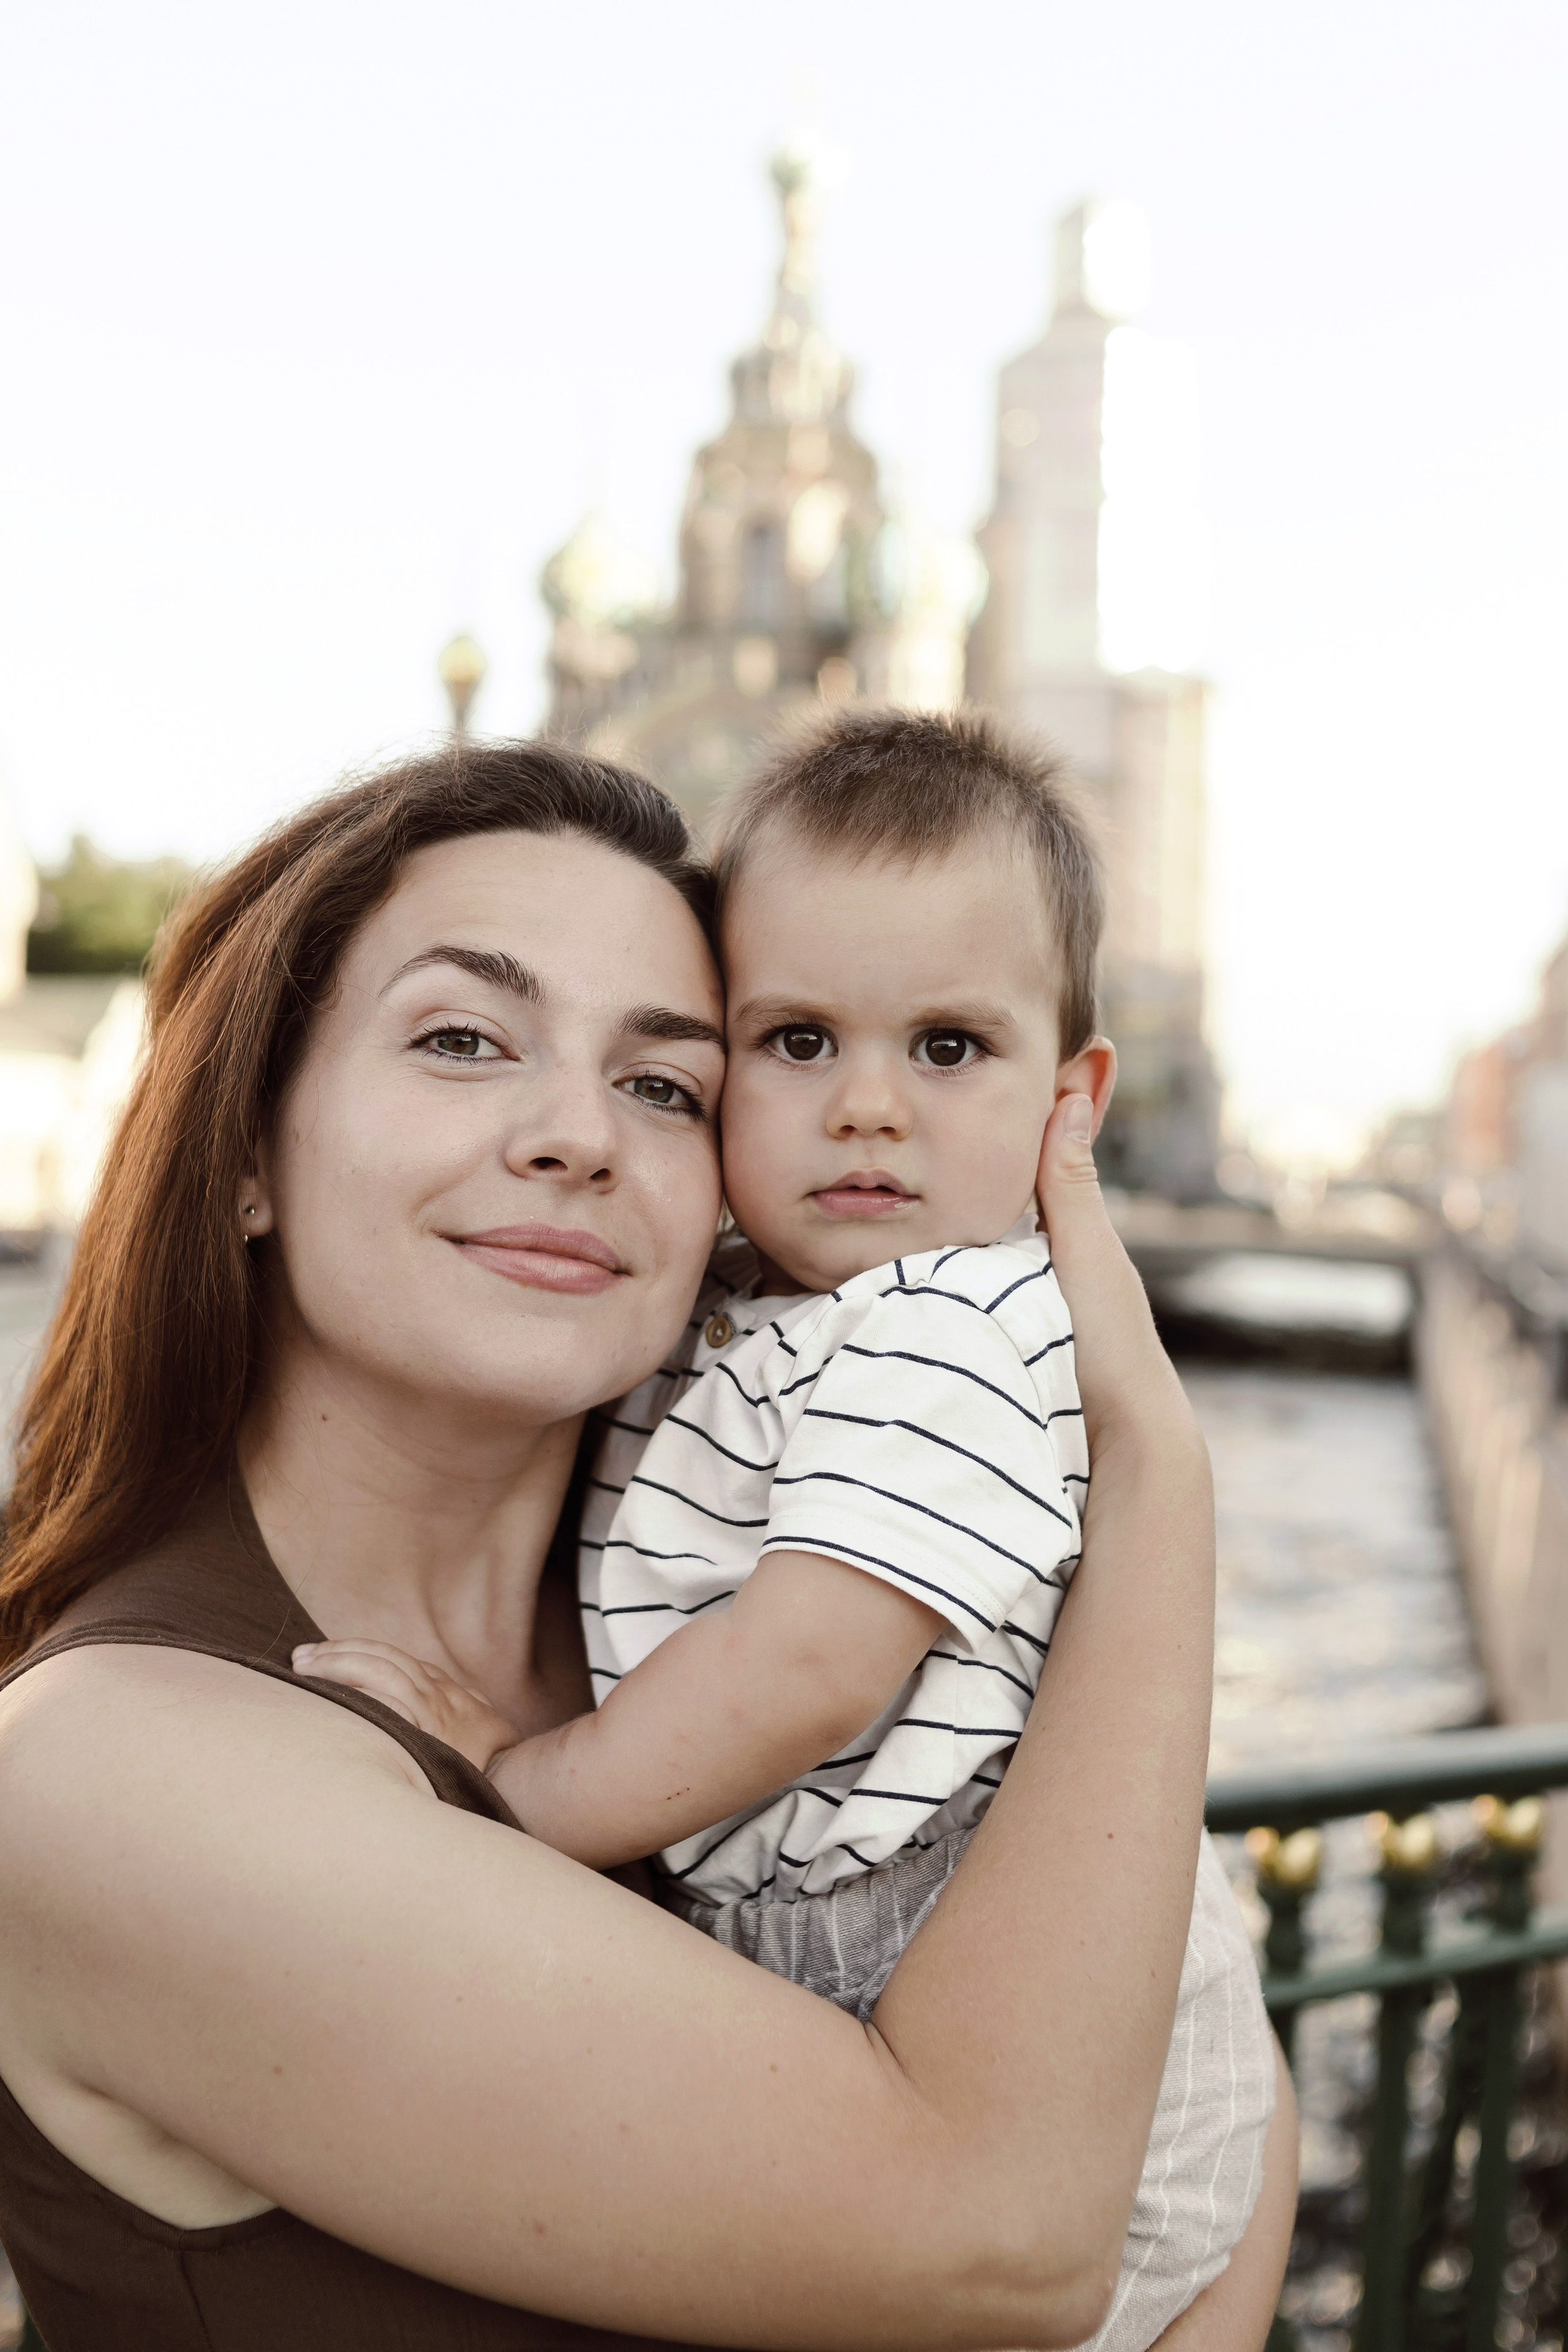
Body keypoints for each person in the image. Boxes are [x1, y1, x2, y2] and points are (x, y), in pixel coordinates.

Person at [0, 740, 1295, 2351]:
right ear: (248, 1147)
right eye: (463, 1039)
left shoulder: (686, 1592)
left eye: (665, 1085)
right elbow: (1014, 2240)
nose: (579, 1135)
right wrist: (1153, 1480)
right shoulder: (111, 1776)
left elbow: (1210, 2086)